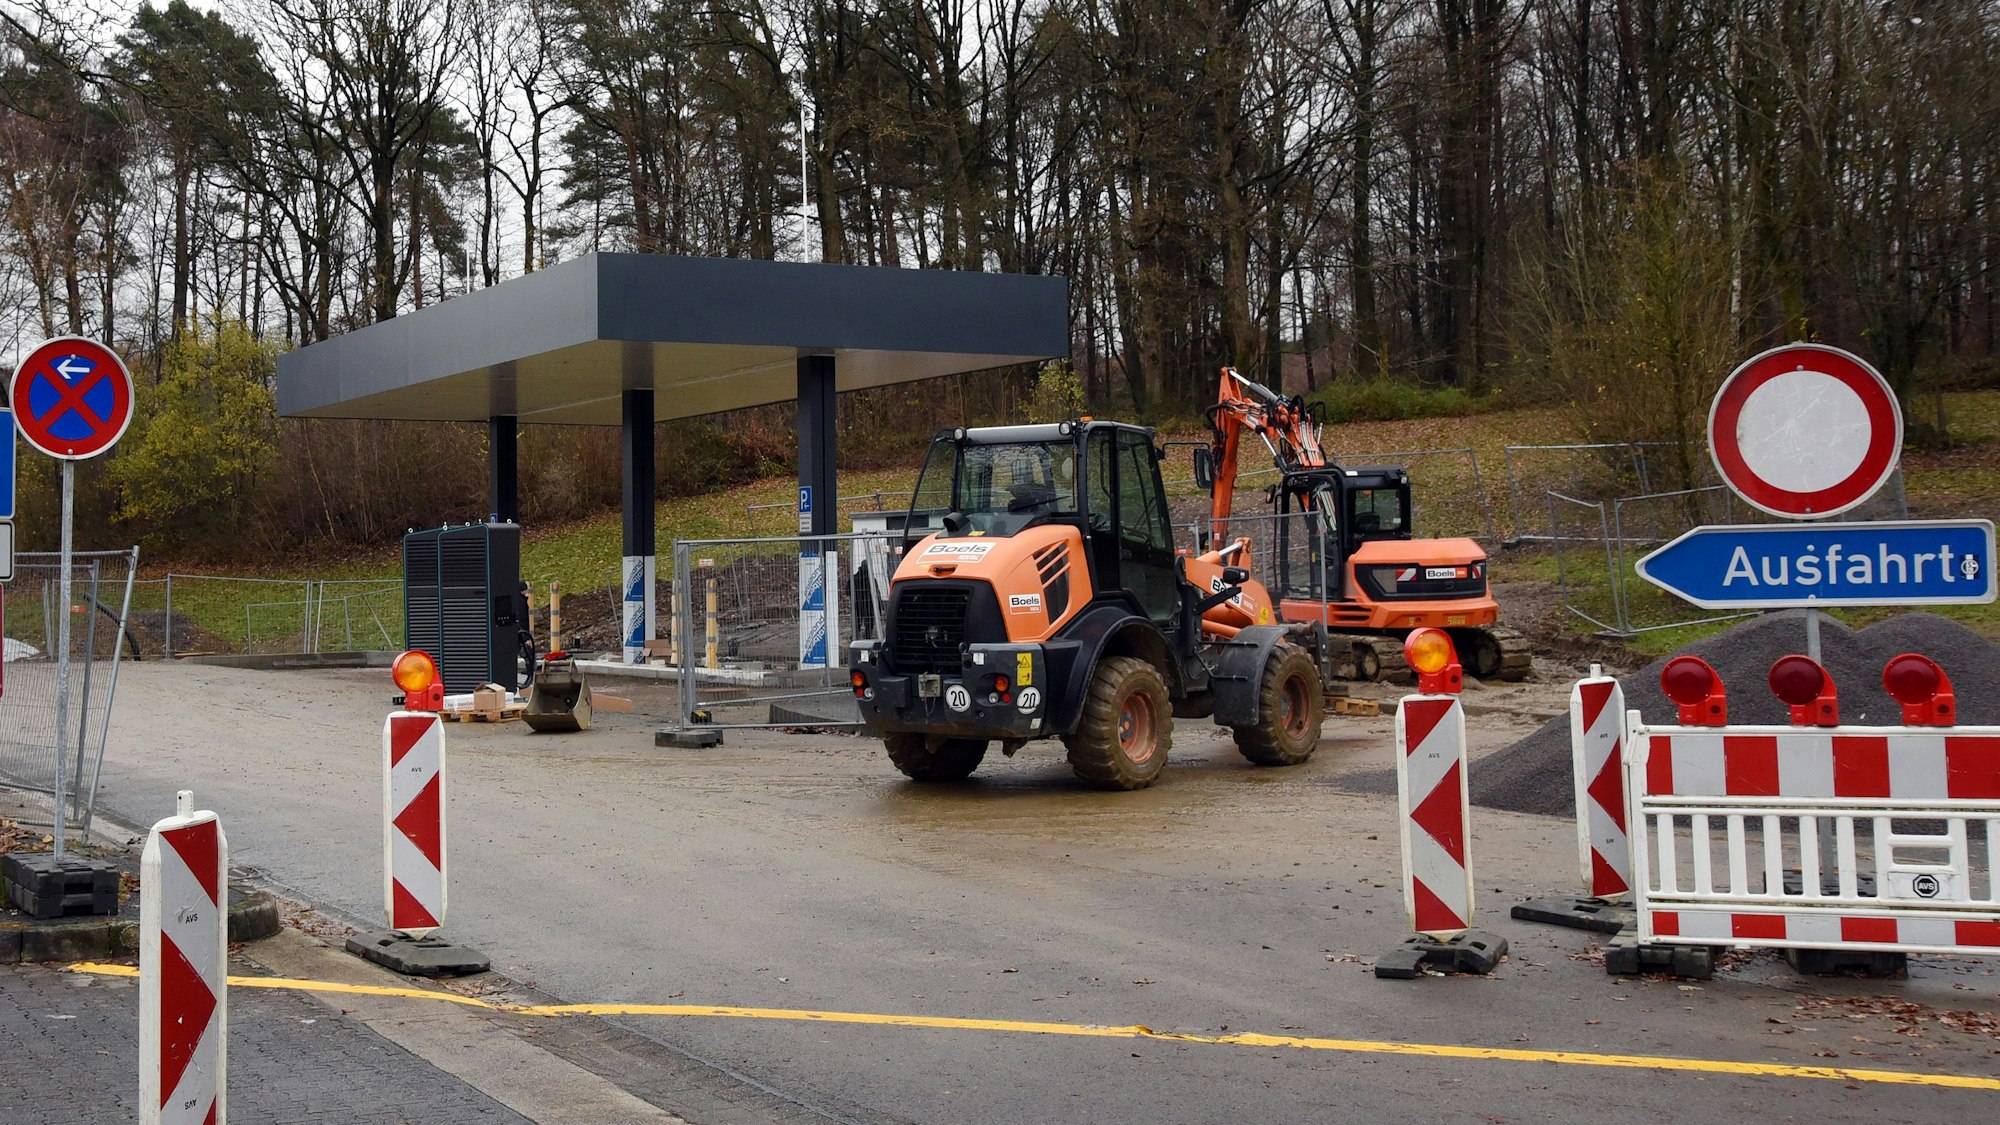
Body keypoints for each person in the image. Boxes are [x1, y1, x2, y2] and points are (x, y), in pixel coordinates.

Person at [512, 580, 538, 688]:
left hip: (516, 633)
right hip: (521, 634)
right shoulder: (521, 602)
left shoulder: (514, 599)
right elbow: (523, 620)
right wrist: (526, 637)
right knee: (528, 654)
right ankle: (531, 676)